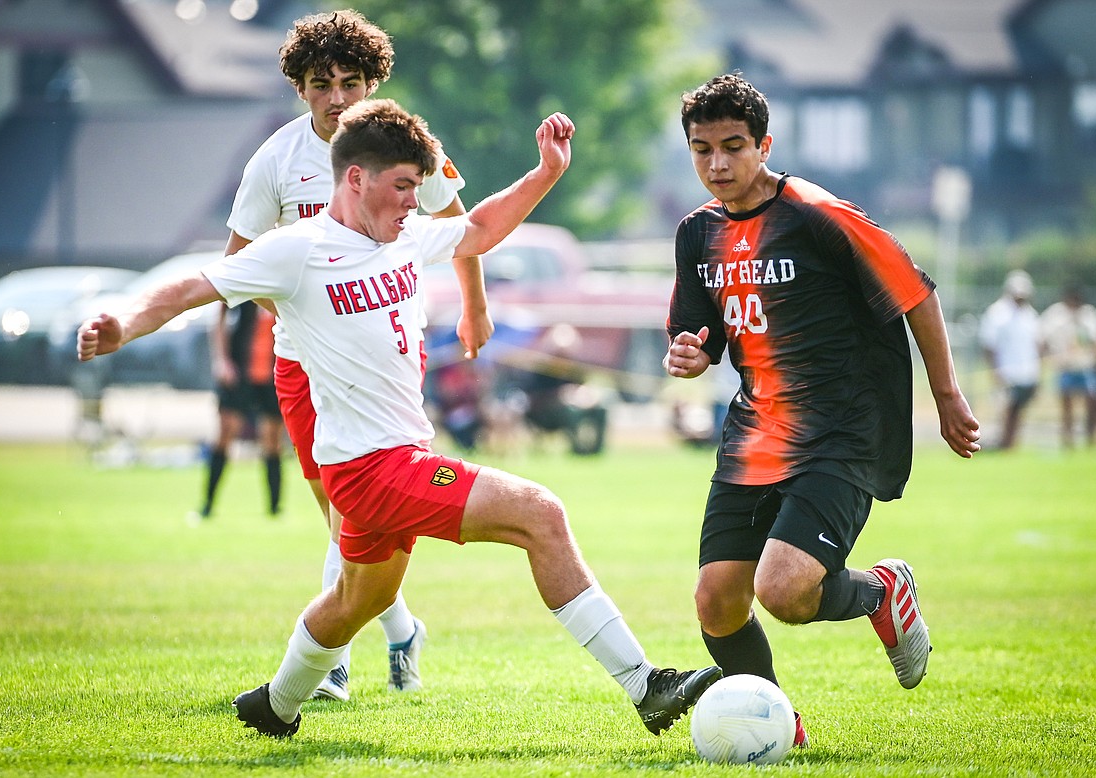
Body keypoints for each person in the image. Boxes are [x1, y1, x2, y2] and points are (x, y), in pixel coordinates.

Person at [78, 99, 720, 739]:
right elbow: (192, 287)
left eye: (418, 185)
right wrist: (123, 324)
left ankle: (273, 707)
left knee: (363, 598)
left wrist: (547, 171)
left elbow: (481, 229)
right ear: (355, 179)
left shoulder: (405, 235)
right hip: (372, 468)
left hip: (380, 460)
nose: (416, 200)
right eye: (404, 185)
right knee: (540, 514)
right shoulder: (296, 251)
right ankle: (646, 687)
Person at [663, 74, 981, 747]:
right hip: (754, 435)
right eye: (701, 150)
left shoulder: (816, 214)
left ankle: (880, 592)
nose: (717, 164)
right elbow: (699, 335)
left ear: (764, 144)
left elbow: (916, 293)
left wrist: (947, 396)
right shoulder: (697, 235)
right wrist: (689, 355)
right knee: (716, 603)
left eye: (732, 147)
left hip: (841, 431)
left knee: (784, 592)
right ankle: (778, 725)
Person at [225, 9, 494, 701]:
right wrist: (305, 313)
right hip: (300, 364)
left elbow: (458, 225)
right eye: (322, 83)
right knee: (344, 519)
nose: (337, 96)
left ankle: (330, 666)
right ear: (300, 88)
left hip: (380, 360)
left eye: (350, 81)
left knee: (355, 512)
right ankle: (402, 632)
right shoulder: (275, 161)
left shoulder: (403, 144)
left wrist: (475, 306)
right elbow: (238, 265)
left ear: (373, 81)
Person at [196, 302, 284, 519]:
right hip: (239, 372)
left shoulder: (283, 282)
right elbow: (220, 314)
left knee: (272, 440)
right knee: (225, 434)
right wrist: (221, 360)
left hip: (272, 374)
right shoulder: (248, 281)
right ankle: (207, 505)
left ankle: (274, 509)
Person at [979, 270, 1041, 450]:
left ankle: (1010, 445)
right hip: (1006, 372)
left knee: (1018, 411)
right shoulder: (997, 313)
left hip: (1026, 372)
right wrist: (994, 370)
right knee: (1006, 409)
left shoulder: (1030, 315)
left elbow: (1035, 346)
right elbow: (989, 344)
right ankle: (1002, 444)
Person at [1040, 285, 1096, 448]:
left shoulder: (1089, 315)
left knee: (1092, 403)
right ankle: (1068, 440)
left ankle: (1092, 438)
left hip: (1086, 367)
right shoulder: (1056, 314)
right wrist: (1050, 357)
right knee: (1067, 406)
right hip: (1066, 367)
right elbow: (1043, 337)